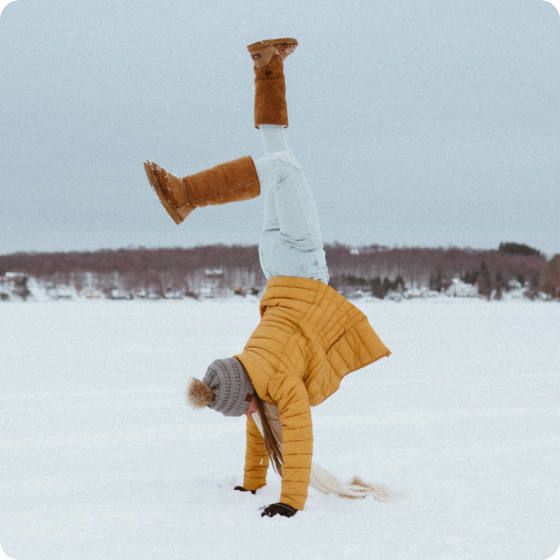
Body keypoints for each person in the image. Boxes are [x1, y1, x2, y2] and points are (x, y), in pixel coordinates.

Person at [144, 38, 391, 518]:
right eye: (249, 412)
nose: (252, 417)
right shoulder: (249, 366)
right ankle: (268, 66)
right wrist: (251, 483)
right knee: (279, 156)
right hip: (275, 268)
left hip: (301, 269)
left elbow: (295, 439)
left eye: (248, 409)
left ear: (245, 394)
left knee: (282, 169)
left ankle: (186, 194)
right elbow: (264, 432)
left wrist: (288, 502)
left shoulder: (269, 387)